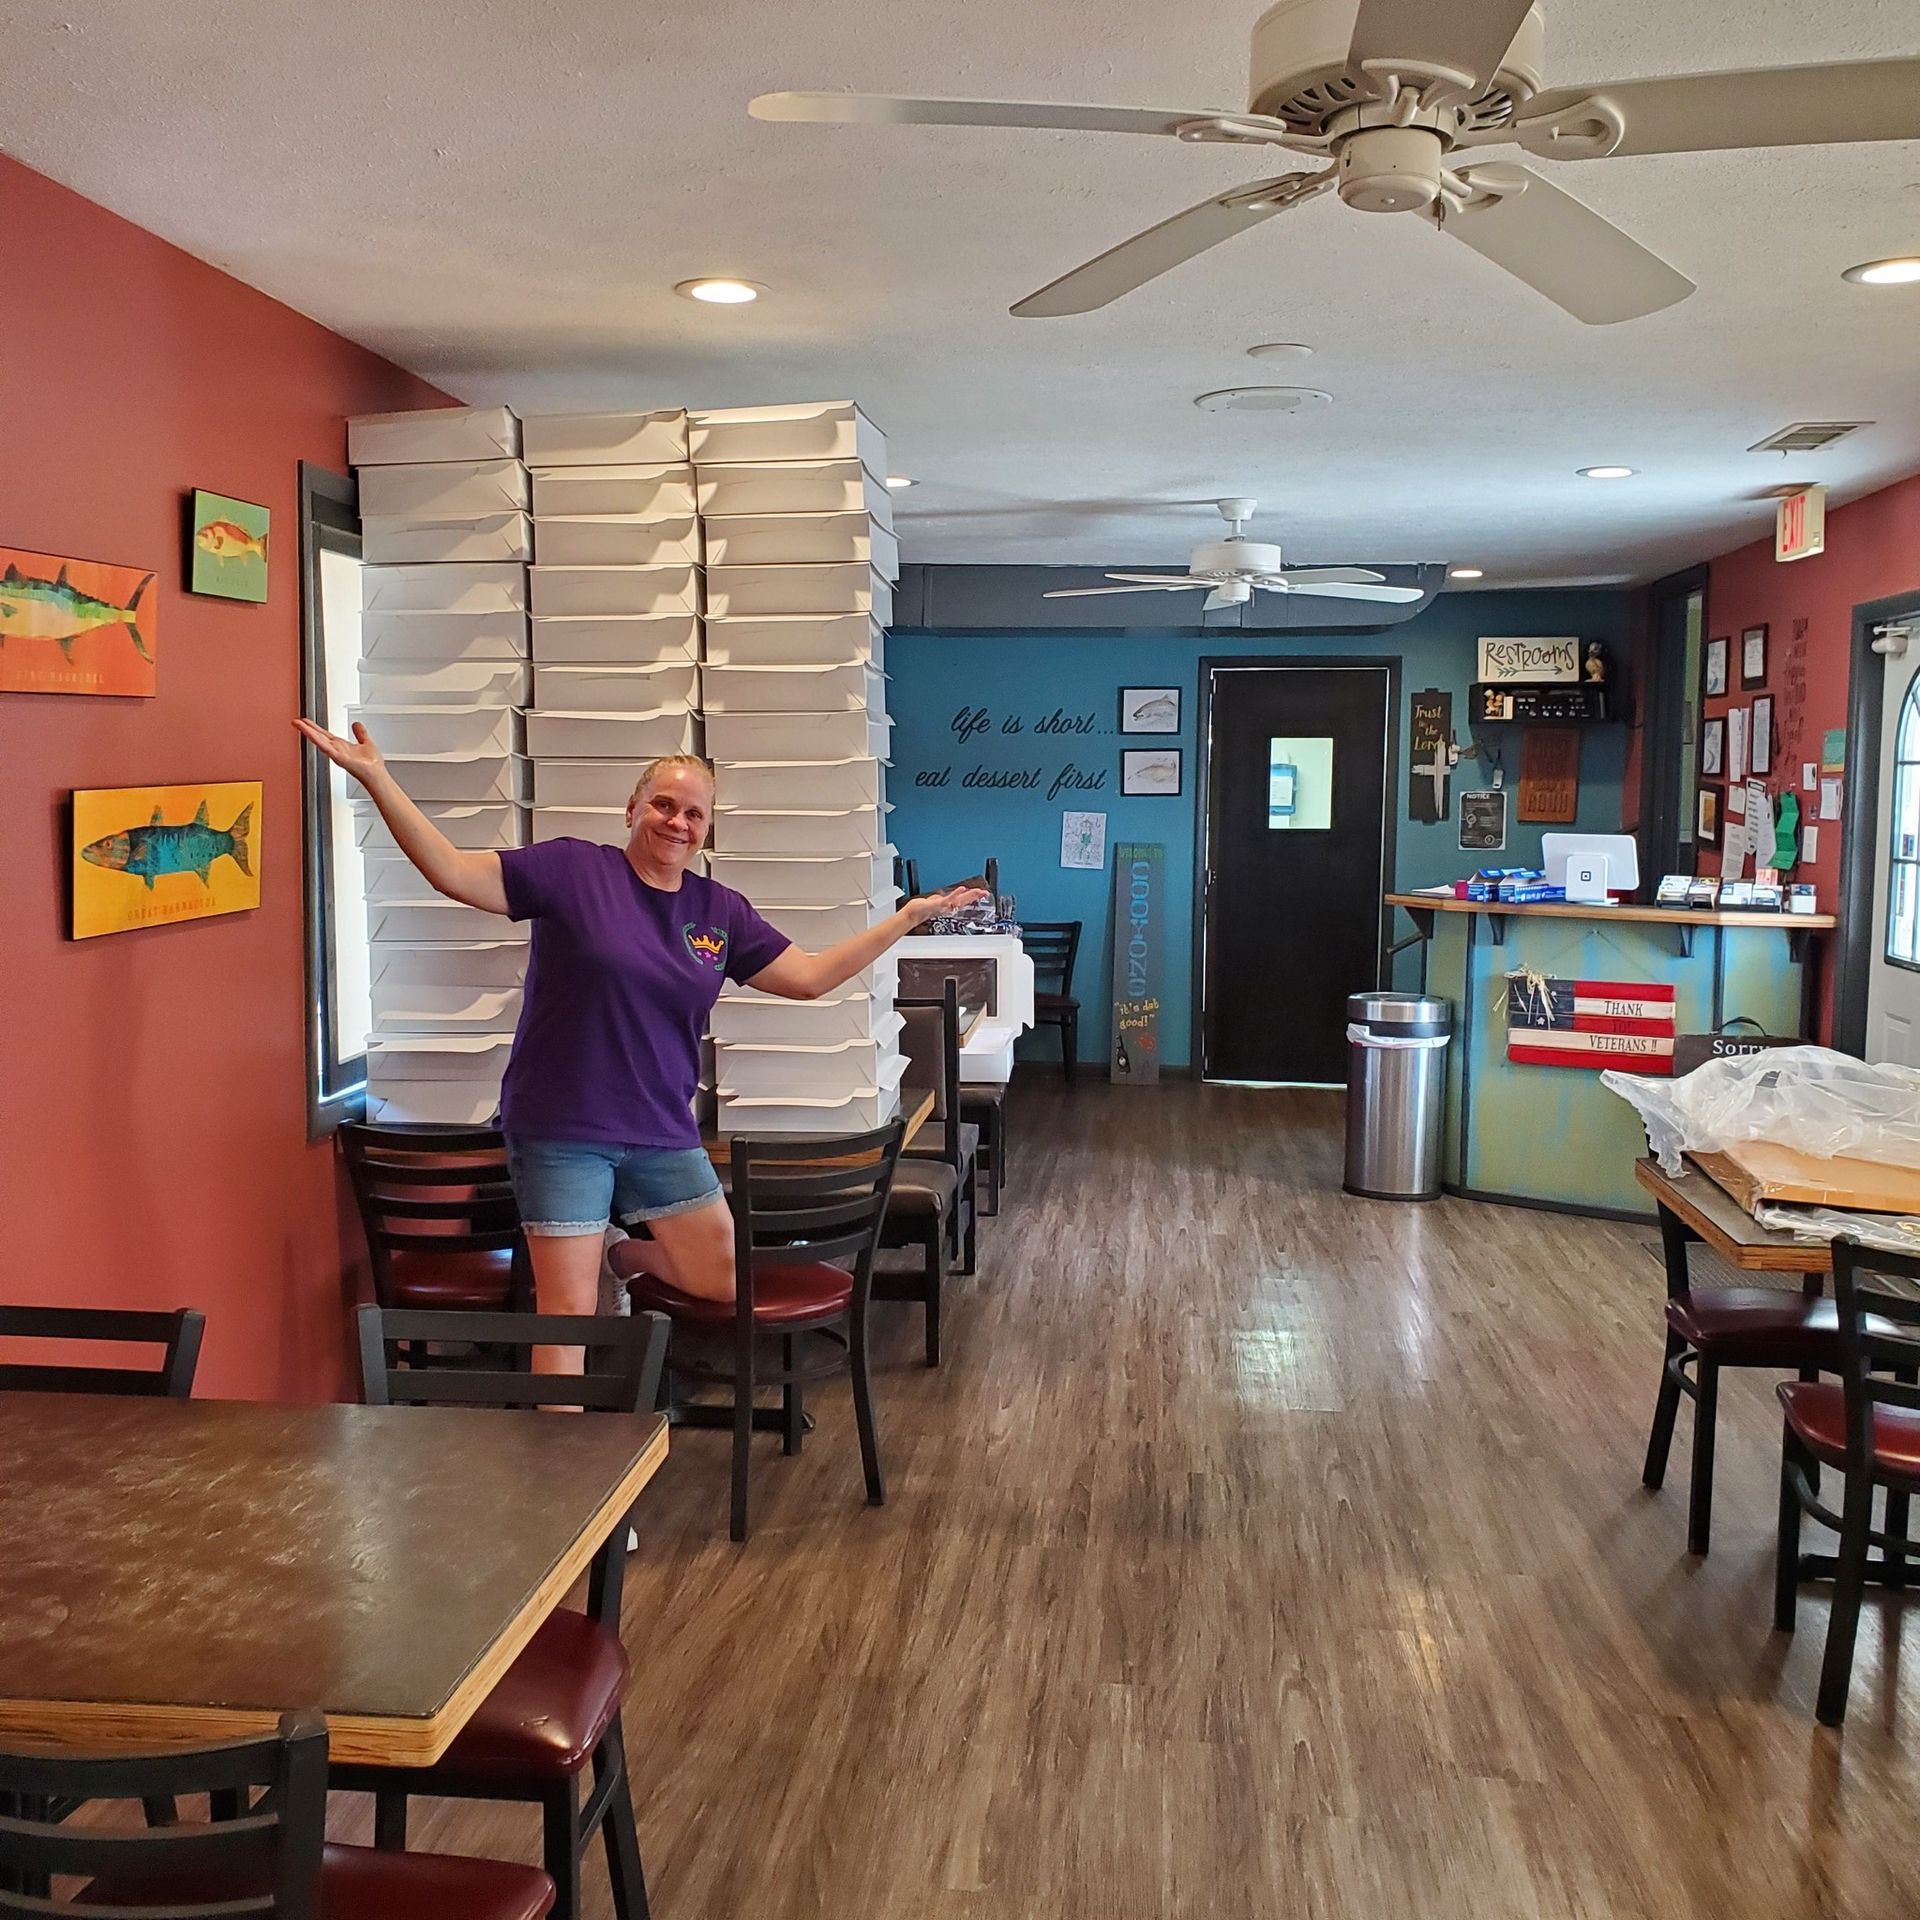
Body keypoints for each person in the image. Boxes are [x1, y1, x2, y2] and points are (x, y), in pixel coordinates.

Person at [295, 720, 983, 1367]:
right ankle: (561, 1477)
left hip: (661, 1129)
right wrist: (377, 778)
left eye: (693, 814)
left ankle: (621, 1257)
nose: (676, 822)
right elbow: (450, 871)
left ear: (707, 830)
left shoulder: (718, 912)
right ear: (632, 810)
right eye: (663, 805)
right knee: (566, 1313)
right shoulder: (571, 872)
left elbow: (806, 978)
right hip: (562, 1127)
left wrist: (905, 920)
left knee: (722, 1279)